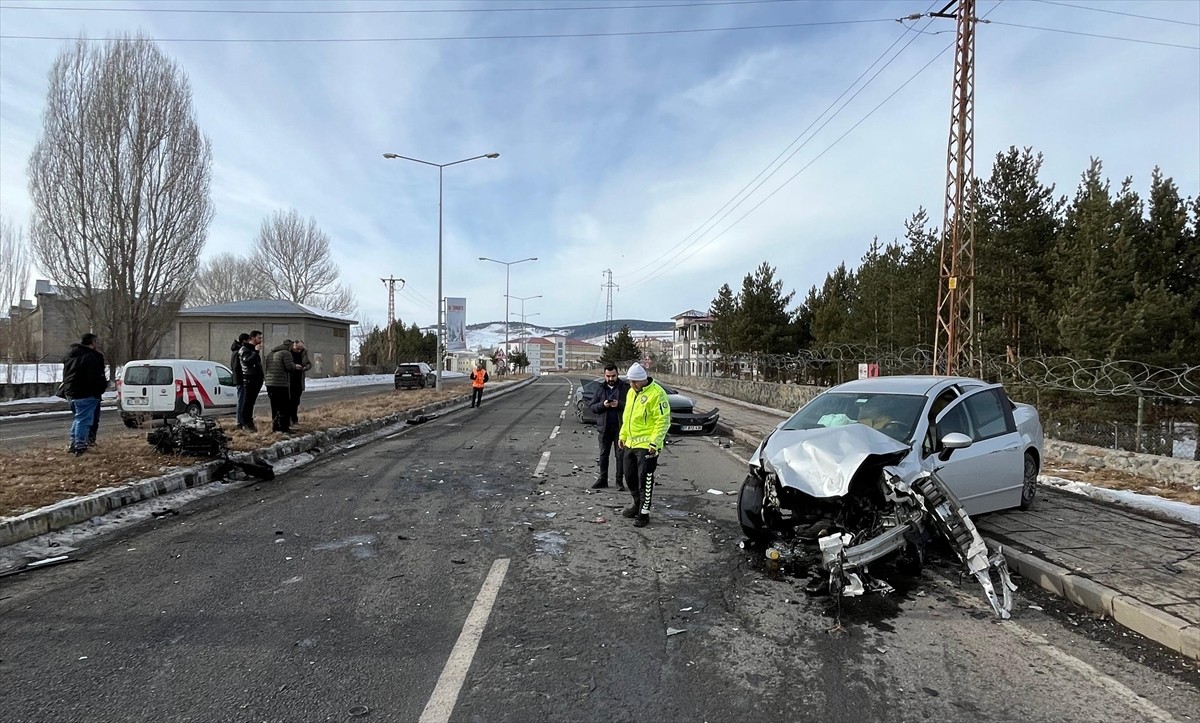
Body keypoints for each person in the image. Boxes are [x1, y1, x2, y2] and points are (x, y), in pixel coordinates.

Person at [618, 362, 671, 528]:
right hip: (631, 442)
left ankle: (644, 512)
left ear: (643, 380)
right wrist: (623, 435)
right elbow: (628, 416)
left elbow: (662, 421)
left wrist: (655, 443)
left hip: (647, 445)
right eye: (630, 382)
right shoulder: (631, 393)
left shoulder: (657, 394)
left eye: (635, 382)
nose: (632, 385)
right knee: (630, 476)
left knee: (645, 479)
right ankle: (636, 503)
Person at [61, 333, 107, 456]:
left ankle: (74, 443)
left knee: (78, 418)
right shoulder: (92, 357)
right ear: (92, 342)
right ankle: (80, 446)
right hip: (87, 393)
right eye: (95, 342)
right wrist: (101, 388)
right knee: (84, 420)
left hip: (71, 392)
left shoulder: (70, 355)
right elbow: (96, 376)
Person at [589, 362, 629, 490]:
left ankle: (619, 482)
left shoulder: (625, 388)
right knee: (603, 454)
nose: (611, 379)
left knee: (620, 455)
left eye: (613, 376)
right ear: (604, 375)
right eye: (608, 376)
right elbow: (592, 407)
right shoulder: (600, 388)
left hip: (620, 428)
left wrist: (619, 404)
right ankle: (603, 480)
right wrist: (603, 405)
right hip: (604, 428)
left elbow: (632, 406)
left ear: (617, 374)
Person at [263, 338, 295, 433]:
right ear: (290, 346)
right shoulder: (286, 353)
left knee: (274, 406)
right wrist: (295, 366)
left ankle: (275, 427)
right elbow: (288, 367)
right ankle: (284, 428)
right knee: (284, 407)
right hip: (280, 383)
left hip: (270, 383)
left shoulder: (270, 353)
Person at [238, 330, 264, 432]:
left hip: (256, 379)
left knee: (251, 402)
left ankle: (250, 422)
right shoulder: (245, 349)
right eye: (259, 338)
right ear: (253, 338)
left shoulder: (252, 349)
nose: (260, 340)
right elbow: (247, 361)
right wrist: (256, 352)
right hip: (249, 379)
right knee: (247, 402)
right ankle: (245, 423)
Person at [288, 339, 312, 426]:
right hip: (289, 379)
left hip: (299, 379)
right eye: (298, 348)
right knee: (289, 400)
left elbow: (309, 364)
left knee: (296, 401)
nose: (299, 350)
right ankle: (289, 419)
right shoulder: (288, 352)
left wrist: (304, 368)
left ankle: (294, 419)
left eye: (301, 349)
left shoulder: (303, 353)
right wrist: (294, 366)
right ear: (294, 345)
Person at [231, 333, 250, 429]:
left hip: (239, 379)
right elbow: (237, 367)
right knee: (241, 400)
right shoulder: (239, 352)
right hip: (240, 380)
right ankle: (239, 421)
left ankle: (240, 421)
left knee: (242, 399)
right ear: (244, 341)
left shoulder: (236, 351)